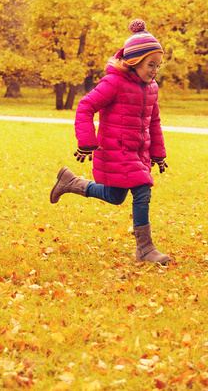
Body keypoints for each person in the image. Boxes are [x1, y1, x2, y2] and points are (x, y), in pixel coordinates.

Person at [49, 19, 171, 265]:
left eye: (157, 65)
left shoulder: (151, 87)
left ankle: (70, 182)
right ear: (134, 61)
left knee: (115, 196)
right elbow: (85, 107)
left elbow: (154, 121)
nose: (154, 70)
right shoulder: (113, 83)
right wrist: (86, 142)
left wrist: (158, 153)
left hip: (139, 152)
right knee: (142, 190)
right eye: (150, 64)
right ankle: (145, 249)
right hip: (116, 149)